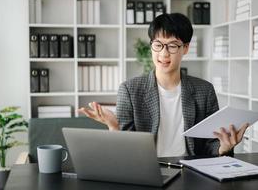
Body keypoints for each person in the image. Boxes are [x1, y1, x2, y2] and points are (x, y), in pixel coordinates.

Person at [78, 13, 248, 157]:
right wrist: (114, 127)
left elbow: (210, 144)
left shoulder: (204, 90)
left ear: (186, 48)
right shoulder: (130, 90)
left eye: (172, 46)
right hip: (147, 170)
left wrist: (224, 148)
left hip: (191, 172)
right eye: (158, 45)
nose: (164, 53)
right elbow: (125, 154)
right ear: (151, 46)